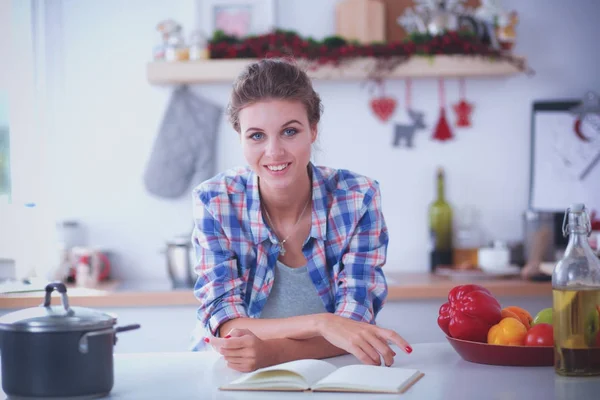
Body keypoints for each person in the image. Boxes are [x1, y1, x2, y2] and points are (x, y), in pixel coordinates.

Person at [191, 58, 410, 372]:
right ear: (240, 137)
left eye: (289, 131)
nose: (274, 152)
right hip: (229, 371)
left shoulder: (357, 198)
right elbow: (226, 322)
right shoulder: (215, 201)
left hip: (331, 373)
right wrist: (322, 323)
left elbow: (354, 325)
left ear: (313, 130)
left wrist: (274, 353)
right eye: (256, 136)